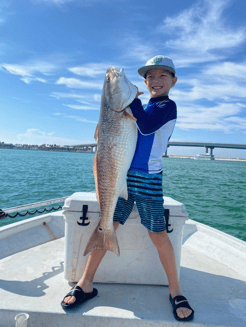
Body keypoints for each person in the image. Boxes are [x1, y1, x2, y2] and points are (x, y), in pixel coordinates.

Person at [61, 55, 194, 322]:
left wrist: (128, 99)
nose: (156, 81)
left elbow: (145, 126)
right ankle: (85, 283)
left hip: (148, 179)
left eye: (162, 76)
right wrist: (127, 103)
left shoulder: (168, 106)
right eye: (151, 77)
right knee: (106, 224)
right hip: (122, 177)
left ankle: (176, 290)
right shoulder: (142, 105)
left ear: (173, 81)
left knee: (158, 234)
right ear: (144, 81)